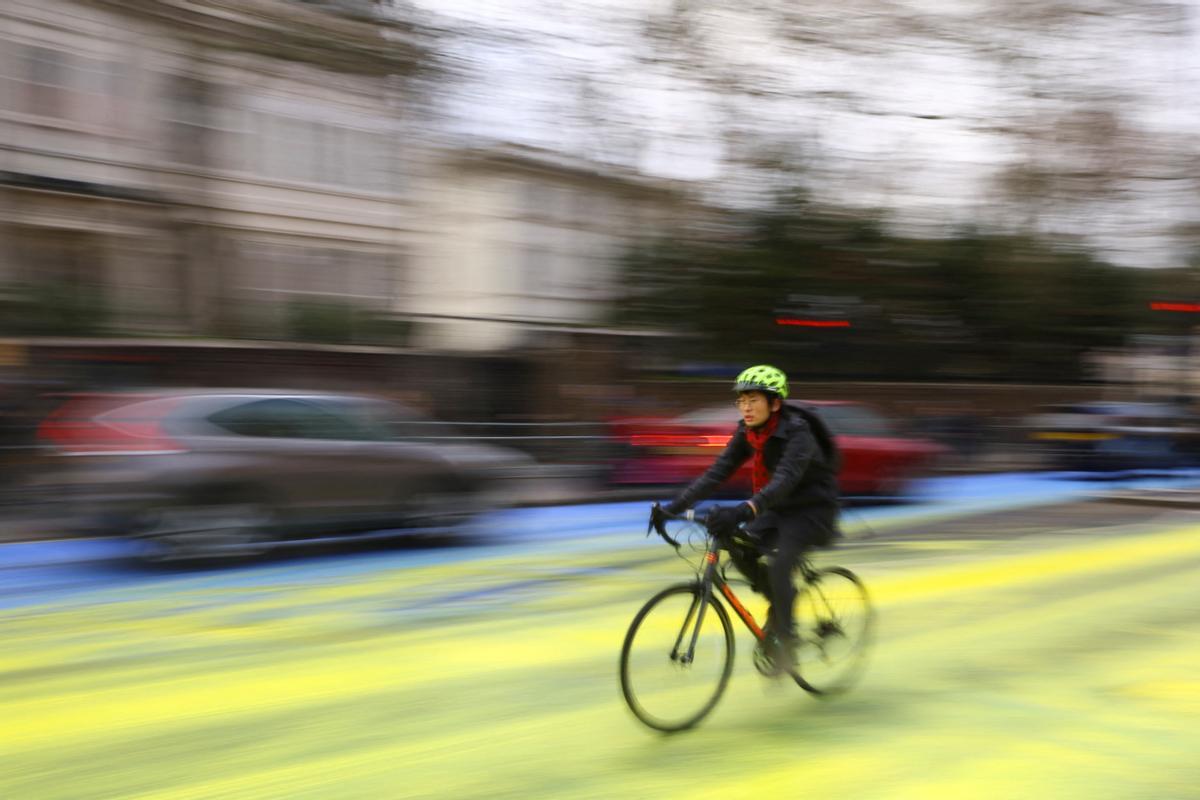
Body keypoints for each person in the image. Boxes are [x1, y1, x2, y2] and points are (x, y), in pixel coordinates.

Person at [650, 364, 841, 675]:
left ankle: (788, 636)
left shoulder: (798, 433)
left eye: (753, 399)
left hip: (812, 509)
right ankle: (781, 604)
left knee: (780, 566)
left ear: (775, 403)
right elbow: (717, 472)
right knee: (740, 550)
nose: (746, 407)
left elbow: (785, 479)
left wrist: (745, 509)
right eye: (741, 400)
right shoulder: (748, 432)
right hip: (776, 508)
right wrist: (673, 507)